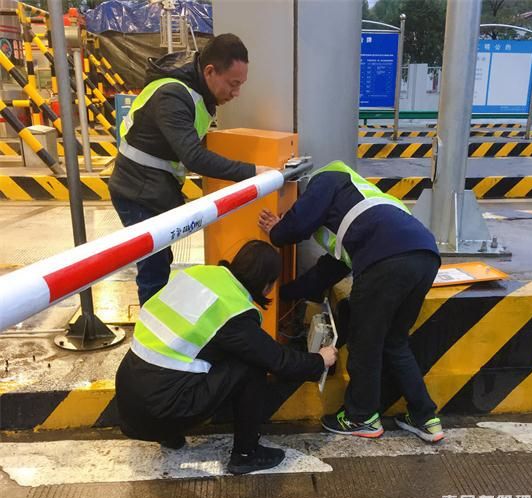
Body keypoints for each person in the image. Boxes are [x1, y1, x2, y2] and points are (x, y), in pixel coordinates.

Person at [258, 160, 444, 443]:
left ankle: (361, 416)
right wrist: (285, 293)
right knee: (395, 342)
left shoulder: (328, 176)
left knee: (364, 344)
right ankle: (425, 416)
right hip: (425, 256)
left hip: (385, 261)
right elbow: (327, 272)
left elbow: (297, 224)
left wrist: (276, 231)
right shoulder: (364, 210)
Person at [115, 240, 337, 475]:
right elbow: (278, 360)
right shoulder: (233, 311)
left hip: (129, 398)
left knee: (197, 355)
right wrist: (320, 360)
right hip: (158, 411)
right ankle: (246, 455)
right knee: (250, 364)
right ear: (268, 285)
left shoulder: (200, 274)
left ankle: (169, 436)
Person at [109, 34, 272, 305]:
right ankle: (152, 327)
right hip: (137, 191)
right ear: (210, 72)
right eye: (233, 84)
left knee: (160, 261)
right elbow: (194, 157)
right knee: (153, 269)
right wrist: (254, 172)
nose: (236, 93)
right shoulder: (172, 95)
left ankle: (159, 320)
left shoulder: (196, 92)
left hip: (152, 187)